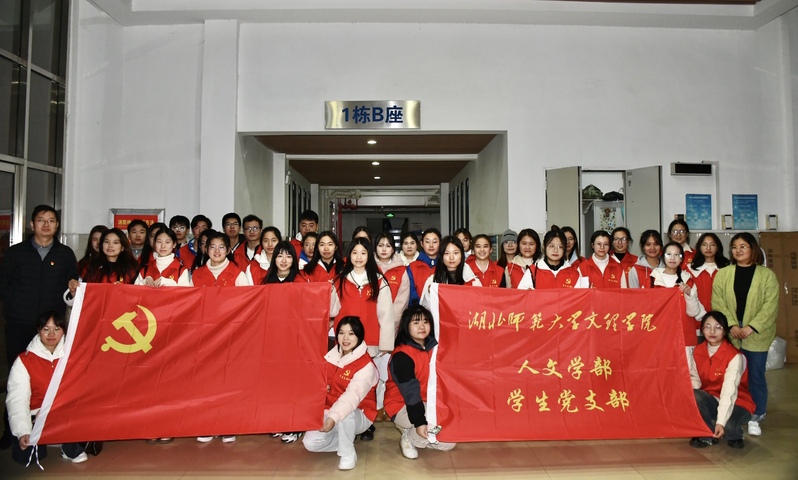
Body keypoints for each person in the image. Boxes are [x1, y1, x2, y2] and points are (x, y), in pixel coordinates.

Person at [0, 205, 78, 448]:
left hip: (52, 327)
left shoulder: (65, 254)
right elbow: (4, 285)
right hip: (20, 322)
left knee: (51, 377)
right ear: (32, 224)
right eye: (41, 220)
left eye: (51, 220)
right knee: (17, 377)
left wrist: (72, 291)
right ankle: (12, 433)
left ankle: (51, 428)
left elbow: (71, 290)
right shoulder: (16, 253)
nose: (46, 225)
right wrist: (14, 306)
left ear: (57, 225)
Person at [712, 232, 779, 438]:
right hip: (731, 332)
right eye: (734, 247)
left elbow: (770, 306)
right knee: (732, 376)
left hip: (756, 334)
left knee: (755, 375)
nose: (738, 250)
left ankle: (756, 415)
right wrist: (731, 325)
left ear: (753, 249)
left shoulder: (767, 275)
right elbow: (718, 301)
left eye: (743, 246)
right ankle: (733, 412)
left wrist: (751, 327)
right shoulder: (723, 274)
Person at [6, 311, 88, 464]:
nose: (51, 334)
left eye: (57, 329)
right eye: (46, 329)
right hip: (36, 415)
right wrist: (23, 431)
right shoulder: (24, 360)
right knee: (27, 459)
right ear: (38, 330)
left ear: (64, 331)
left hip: (64, 412)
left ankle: (68, 445)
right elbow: (17, 399)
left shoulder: (72, 356)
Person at [302, 317, 378, 470]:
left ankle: (348, 453)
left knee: (345, 413)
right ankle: (345, 439)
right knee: (310, 443)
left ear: (359, 336)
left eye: (351, 333)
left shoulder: (366, 365)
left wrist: (333, 417)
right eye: (341, 333)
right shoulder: (330, 356)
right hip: (329, 409)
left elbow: (351, 397)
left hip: (359, 413)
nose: (345, 338)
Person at [384, 305, 455, 459]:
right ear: (406, 326)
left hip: (428, 403)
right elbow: (411, 393)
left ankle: (418, 434)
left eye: (425, 322)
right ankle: (409, 437)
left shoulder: (435, 349)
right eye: (416, 322)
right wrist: (420, 422)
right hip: (402, 405)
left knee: (449, 443)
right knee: (429, 425)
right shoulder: (402, 356)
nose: (422, 326)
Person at [688, 311, 755, 449]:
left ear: (725, 331)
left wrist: (721, 422)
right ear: (702, 330)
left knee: (728, 426)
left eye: (718, 327)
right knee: (695, 394)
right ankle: (706, 433)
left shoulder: (734, 356)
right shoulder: (698, 351)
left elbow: (729, 392)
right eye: (707, 327)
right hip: (712, 399)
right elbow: (695, 380)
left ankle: (733, 432)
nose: (712, 331)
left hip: (737, 401)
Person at [651, 242, 705, 347]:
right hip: (659, 334)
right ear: (663, 257)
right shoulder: (652, 279)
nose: (672, 258)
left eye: (677, 255)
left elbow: (693, 312)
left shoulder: (688, 281)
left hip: (684, 334)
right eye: (669, 254)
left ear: (681, 259)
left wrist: (689, 295)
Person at [420, 236, 481, 307]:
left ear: (462, 255)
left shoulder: (473, 281)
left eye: (455, 253)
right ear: (441, 256)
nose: (451, 257)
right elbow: (425, 308)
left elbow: (480, 306)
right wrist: (430, 292)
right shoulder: (432, 280)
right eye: (447, 253)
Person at [518, 227, 587, 289]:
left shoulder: (573, 273)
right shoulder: (532, 272)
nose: (555, 250)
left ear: (564, 249)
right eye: (551, 246)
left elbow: (579, 297)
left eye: (560, 247)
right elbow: (521, 295)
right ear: (544, 246)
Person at [373, 232, 411, 325]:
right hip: (370, 319)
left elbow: (402, 299)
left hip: (393, 321)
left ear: (393, 249)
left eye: (388, 246)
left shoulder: (401, 270)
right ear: (375, 248)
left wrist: (391, 320)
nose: (384, 249)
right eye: (380, 245)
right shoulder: (368, 268)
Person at [689, 233, 730, 314]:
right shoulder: (690, 269)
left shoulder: (726, 269)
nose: (708, 248)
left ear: (717, 247)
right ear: (699, 247)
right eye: (704, 245)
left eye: (712, 245)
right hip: (697, 316)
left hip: (722, 316)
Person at [407, 228, 441, 303]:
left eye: (435, 242)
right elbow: (411, 293)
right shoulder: (412, 267)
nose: (431, 245)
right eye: (427, 242)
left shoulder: (445, 266)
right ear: (422, 244)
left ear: (440, 243)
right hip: (418, 308)